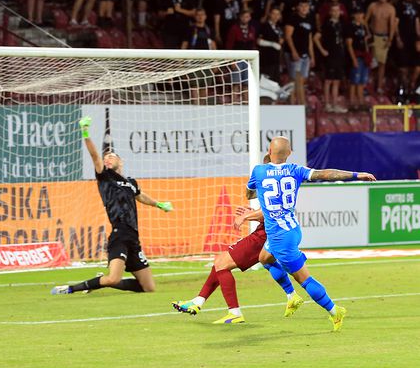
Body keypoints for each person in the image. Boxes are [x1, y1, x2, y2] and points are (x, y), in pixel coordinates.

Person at [248, 136, 377, 331]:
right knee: (264, 258)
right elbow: (326, 174)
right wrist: (356, 175)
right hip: (291, 229)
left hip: (280, 237)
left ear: (268, 152)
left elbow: (249, 194)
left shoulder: (258, 171)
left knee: (304, 279)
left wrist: (263, 180)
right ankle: (292, 296)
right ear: (290, 154)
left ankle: (335, 311)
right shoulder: (296, 170)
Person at [51, 117, 173, 295]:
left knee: (148, 287)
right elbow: (94, 156)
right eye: (106, 157)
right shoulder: (105, 177)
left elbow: (140, 196)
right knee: (113, 278)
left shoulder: (131, 182)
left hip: (134, 238)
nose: (107, 159)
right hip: (120, 235)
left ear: (120, 162)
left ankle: (100, 281)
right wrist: (85, 134)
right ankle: (70, 288)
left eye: (111, 156)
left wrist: (159, 204)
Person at [171, 205, 304, 324]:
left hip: (264, 235)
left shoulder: (267, 178)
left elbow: (271, 210)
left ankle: (234, 313)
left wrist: (247, 216)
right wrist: (254, 215)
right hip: (273, 233)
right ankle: (198, 301)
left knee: (222, 263)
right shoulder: (278, 183)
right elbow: (274, 213)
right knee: (222, 262)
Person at [314, 3, 348, 112]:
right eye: (334, 11)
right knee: (328, 80)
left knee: (337, 80)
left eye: (337, 11)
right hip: (330, 55)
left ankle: (335, 104)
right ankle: (327, 103)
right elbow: (316, 38)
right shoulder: (326, 24)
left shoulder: (341, 24)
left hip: (339, 54)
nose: (336, 13)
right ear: (330, 12)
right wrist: (322, 50)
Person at [285, 0, 315, 105]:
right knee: (293, 80)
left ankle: (301, 103)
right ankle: (293, 103)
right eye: (302, 6)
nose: (304, 8)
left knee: (301, 80)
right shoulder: (293, 19)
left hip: (305, 54)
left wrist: (312, 56)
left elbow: (310, 39)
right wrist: (293, 52)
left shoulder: (309, 19)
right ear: (297, 7)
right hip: (295, 54)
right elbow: (288, 36)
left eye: (306, 6)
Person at [366, 0, 397, 94]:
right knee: (370, 62)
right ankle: (367, 85)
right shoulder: (373, 6)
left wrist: (390, 39)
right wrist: (367, 33)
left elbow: (392, 25)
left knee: (381, 63)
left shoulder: (391, 9)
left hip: (383, 37)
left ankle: (379, 86)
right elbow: (365, 21)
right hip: (373, 36)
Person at [394, 0, 420, 98]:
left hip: (414, 40)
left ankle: (412, 86)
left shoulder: (417, 5)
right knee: (403, 67)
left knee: (416, 65)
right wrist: (397, 37)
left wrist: (419, 38)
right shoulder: (398, 5)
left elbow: (418, 22)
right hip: (403, 38)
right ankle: (403, 89)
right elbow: (395, 23)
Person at [345, 8, 371, 110]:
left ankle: (361, 102)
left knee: (361, 81)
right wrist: (353, 59)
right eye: (358, 14)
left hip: (364, 56)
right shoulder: (350, 27)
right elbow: (349, 44)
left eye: (361, 14)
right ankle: (352, 102)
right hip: (356, 55)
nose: (360, 16)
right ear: (354, 15)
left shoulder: (363, 27)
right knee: (354, 81)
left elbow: (366, 39)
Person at [258, 6, 284, 82]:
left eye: (278, 14)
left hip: (276, 59)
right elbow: (259, 41)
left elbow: (280, 42)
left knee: (275, 81)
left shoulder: (278, 28)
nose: (276, 16)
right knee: (267, 81)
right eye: (274, 14)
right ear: (270, 14)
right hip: (267, 59)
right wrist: (272, 44)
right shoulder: (264, 26)